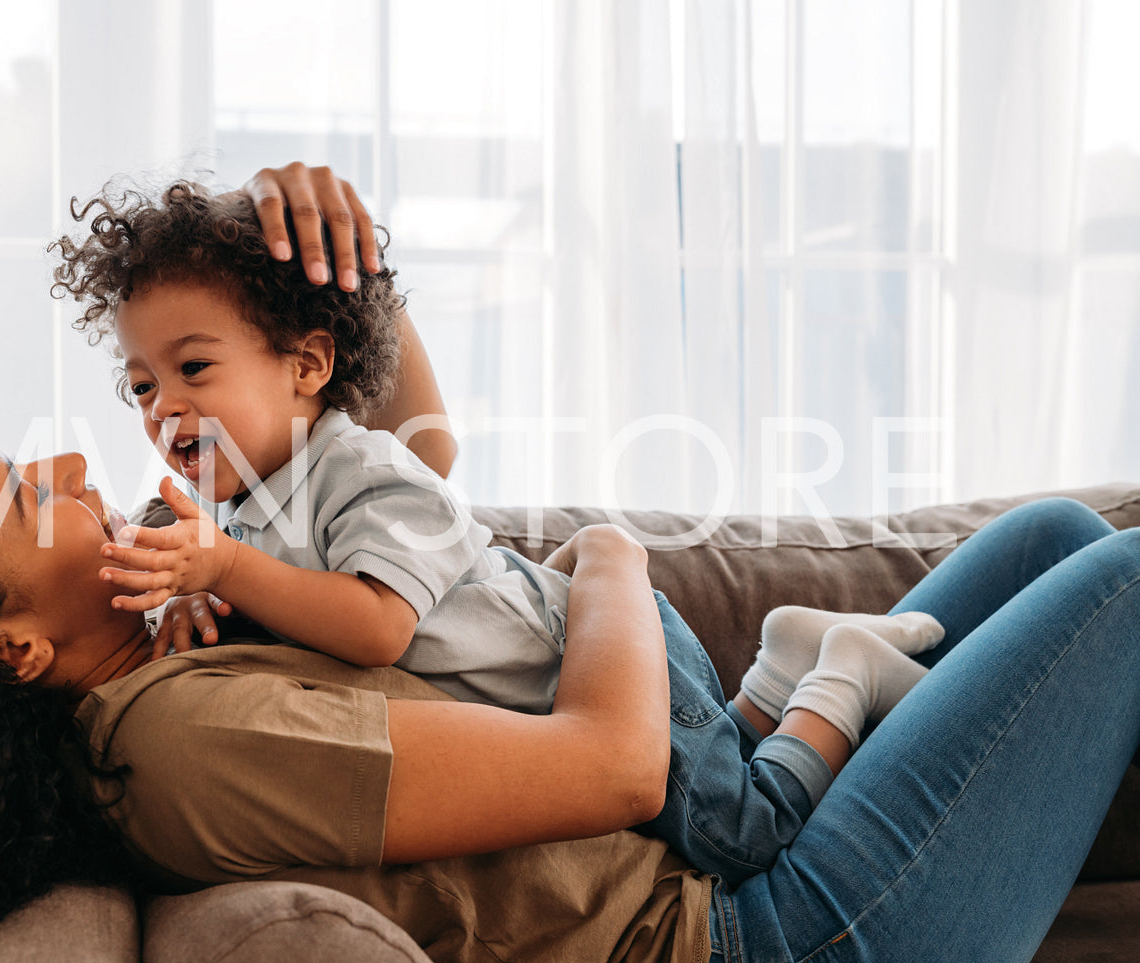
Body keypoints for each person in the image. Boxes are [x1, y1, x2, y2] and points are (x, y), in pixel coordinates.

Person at [0, 168, 1139, 963]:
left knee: (1057, 539)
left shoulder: (177, 635)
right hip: (782, 956)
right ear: (12, 645)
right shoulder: (181, 743)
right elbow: (617, 762)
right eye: (33, 496)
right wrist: (609, 556)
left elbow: (398, 486)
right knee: (1124, 579)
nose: (82, 469)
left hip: (752, 905)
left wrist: (350, 290)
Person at [47, 170, 945, 884]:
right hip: (564, 688)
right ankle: (785, 658)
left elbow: (375, 626)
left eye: (194, 368)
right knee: (718, 785)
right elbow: (212, 592)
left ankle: (843, 676)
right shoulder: (235, 505)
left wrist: (224, 570)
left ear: (308, 365)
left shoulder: (364, 466)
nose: (163, 407)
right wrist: (183, 600)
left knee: (740, 835)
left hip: (594, 657)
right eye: (140, 386)